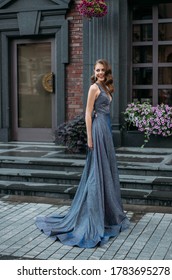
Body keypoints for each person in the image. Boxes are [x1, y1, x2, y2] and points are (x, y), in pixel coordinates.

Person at [35, 59, 130, 248]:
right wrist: (89, 138)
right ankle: (92, 217)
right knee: (96, 172)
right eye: (97, 70)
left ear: (107, 71)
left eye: (103, 70)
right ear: (94, 71)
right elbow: (88, 113)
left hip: (106, 130)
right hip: (97, 130)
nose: (100, 72)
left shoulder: (108, 86)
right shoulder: (94, 88)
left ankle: (107, 213)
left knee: (106, 170)